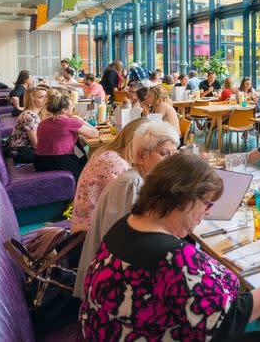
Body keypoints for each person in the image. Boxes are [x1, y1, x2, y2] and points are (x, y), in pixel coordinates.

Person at [78, 153, 260, 341]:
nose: (207, 212)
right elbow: (230, 319)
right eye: (206, 203)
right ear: (182, 198)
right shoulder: (173, 258)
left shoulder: (125, 226)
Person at [74, 120, 180, 298]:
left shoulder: (141, 179)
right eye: (163, 154)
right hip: (110, 286)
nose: (170, 162)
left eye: (172, 155)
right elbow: (121, 246)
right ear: (140, 156)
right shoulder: (130, 184)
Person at [70, 118, 149, 234]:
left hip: (86, 224)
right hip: (90, 233)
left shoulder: (105, 151)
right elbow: (129, 207)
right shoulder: (115, 164)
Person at [35, 89, 99, 181]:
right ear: (64, 110)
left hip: (40, 162)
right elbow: (94, 133)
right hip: (59, 162)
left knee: (80, 153)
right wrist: (80, 119)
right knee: (82, 158)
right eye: (72, 106)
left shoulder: (42, 123)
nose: (73, 108)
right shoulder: (69, 122)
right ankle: (83, 183)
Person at [5, 86, 48, 166]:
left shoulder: (34, 113)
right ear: (32, 100)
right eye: (41, 97)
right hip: (21, 153)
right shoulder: (30, 116)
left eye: (46, 96)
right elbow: (36, 144)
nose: (45, 99)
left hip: (23, 150)